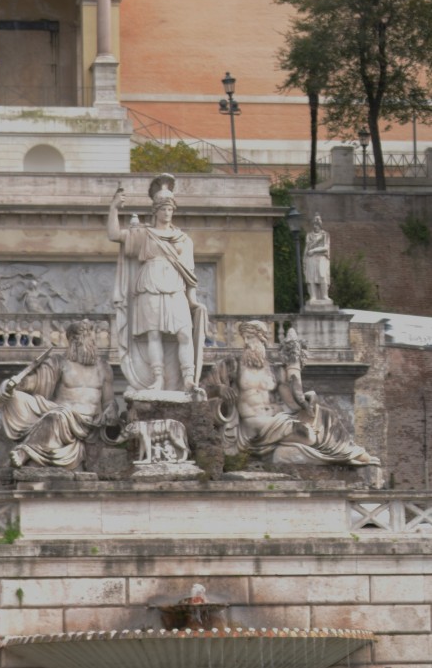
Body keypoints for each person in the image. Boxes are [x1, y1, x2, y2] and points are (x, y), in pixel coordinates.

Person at [204, 320, 381, 466]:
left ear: (262, 340)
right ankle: (345, 455)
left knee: (327, 415)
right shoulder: (232, 365)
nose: (247, 343)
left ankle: (352, 452)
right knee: (307, 434)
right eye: (245, 339)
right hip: (253, 425)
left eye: (251, 338)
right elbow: (203, 389)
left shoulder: (273, 370)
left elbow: (292, 402)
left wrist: (306, 400)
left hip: (277, 418)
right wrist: (220, 389)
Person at [108, 174, 207, 393]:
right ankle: (158, 378)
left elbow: (189, 273)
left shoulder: (184, 239)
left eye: (170, 208)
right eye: (163, 208)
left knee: (183, 333)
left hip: (175, 285)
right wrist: (114, 208)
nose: (167, 212)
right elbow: (114, 234)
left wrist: (193, 300)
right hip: (149, 284)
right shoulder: (144, 234)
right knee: (153, 334)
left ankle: (189, 379)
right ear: (156, 211)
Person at [0, 319, 118, 469]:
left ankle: (25, 453)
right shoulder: (59, 363)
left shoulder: (103, 367)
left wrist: (111, 409)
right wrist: (11, 385)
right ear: (73, 342)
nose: (91, 344)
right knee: (22, 400)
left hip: (90, 423)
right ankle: (28, 451)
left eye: (93, 340)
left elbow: (109, 401)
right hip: (61, 414)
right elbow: (34, 381)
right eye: (86, 339)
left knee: (58, 416)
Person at [304, 213, 332, 303]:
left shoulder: (325, 235)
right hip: (311, 258)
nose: (316, 224)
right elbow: (308, 247)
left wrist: (314, 250)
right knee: (311, 277)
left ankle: (324, 296)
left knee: (322, 275)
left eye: (318, 222)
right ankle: (313, 297)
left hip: (321, 257)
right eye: (314, 222)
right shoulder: (309, 235)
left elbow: (326, 247)